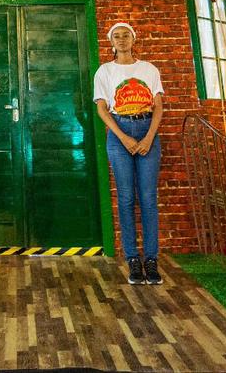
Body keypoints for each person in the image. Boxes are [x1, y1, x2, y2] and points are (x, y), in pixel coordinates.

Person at [93, 22, 165, 285]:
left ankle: (151, 259)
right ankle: (133, 259)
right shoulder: (105, 71)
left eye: (126, 35)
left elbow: (158, 106)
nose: (122, 40)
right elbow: (102, 108)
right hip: (118, 130)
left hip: (147, 128)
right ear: (111, 41)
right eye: (116, 36)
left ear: (134, 39)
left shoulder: (149, 69)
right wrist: (123, 137)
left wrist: (148, 137)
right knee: (125, 197)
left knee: (147, 198)